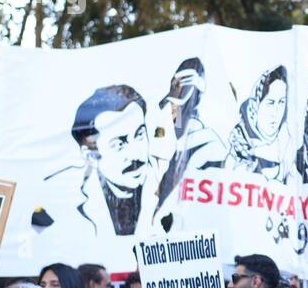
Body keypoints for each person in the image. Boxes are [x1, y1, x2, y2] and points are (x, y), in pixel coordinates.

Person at [42, 84, 160, 237]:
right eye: (119, 144)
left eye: (140, 135)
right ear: (91, 155)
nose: (136, 154)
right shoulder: (57, 195)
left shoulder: (169, 179)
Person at [152, 57, 230, 210]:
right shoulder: (172, 148)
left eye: (181, 105)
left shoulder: (210, 147)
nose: (173, 109)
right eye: (172, 103)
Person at [229, 65, 291, 179]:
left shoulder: (289, 145)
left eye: (281, 102)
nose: (276, 112)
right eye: (270, 103)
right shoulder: (238, 145)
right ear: (256, 105)